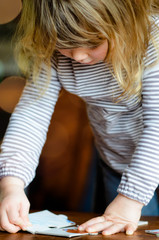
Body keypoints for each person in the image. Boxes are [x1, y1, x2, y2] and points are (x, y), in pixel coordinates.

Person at [0, 0, 159, 235]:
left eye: (92, 42)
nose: (78, 56)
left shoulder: (152, 39)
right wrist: (11, 185)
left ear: (125, 21)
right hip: (118, 166)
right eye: (63, 45)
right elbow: (30, 116)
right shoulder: (51, 50)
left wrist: (130, 199)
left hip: (141, 172)